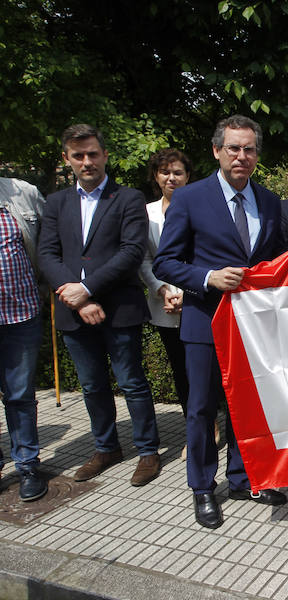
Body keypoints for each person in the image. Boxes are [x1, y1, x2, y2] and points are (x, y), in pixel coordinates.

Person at [154, 115, 287, 529]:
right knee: (201, 409)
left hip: (252, 327)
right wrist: (207, 278)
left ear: (256, 155)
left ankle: (244, 479)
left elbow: (272, 261)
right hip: (205, 322)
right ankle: (202, 488)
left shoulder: (268, 201)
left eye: (249, 149)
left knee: (246, 407)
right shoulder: (190, 198)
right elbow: (165, 261)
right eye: (233, 148)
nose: (241, 156)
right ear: (217, 151)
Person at [38, 124, 161, 487]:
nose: (87, 161)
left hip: (119, 308)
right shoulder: (56, 203)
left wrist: (87, 288)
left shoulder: (128, 199)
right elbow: (47, 253)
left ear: (105, 155)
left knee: (132, 382)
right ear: (67, 159)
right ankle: (106, 448)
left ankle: (147, 450)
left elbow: (131, 252)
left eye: (93, 154)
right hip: (74, 310)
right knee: (92, 386)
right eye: (78, 156)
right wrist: (76, 296)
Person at [0, 177, 47, 500]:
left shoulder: (22, 192)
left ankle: (28, 464)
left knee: (20, 395)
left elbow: (48, 242)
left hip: (20, 313)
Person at [138, 149, 191, 420]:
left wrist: (187, 294)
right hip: (164, 302)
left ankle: (213, 422)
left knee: (208, 368)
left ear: (187, 176)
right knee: (179, 368)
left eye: (177, 172)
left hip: (196, 301)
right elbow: (144, 257)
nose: (171, 178)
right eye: (165, 172)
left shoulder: (200, 207)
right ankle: (196, 427)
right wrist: (162, 289)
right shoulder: (145, 213)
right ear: (156, 177)